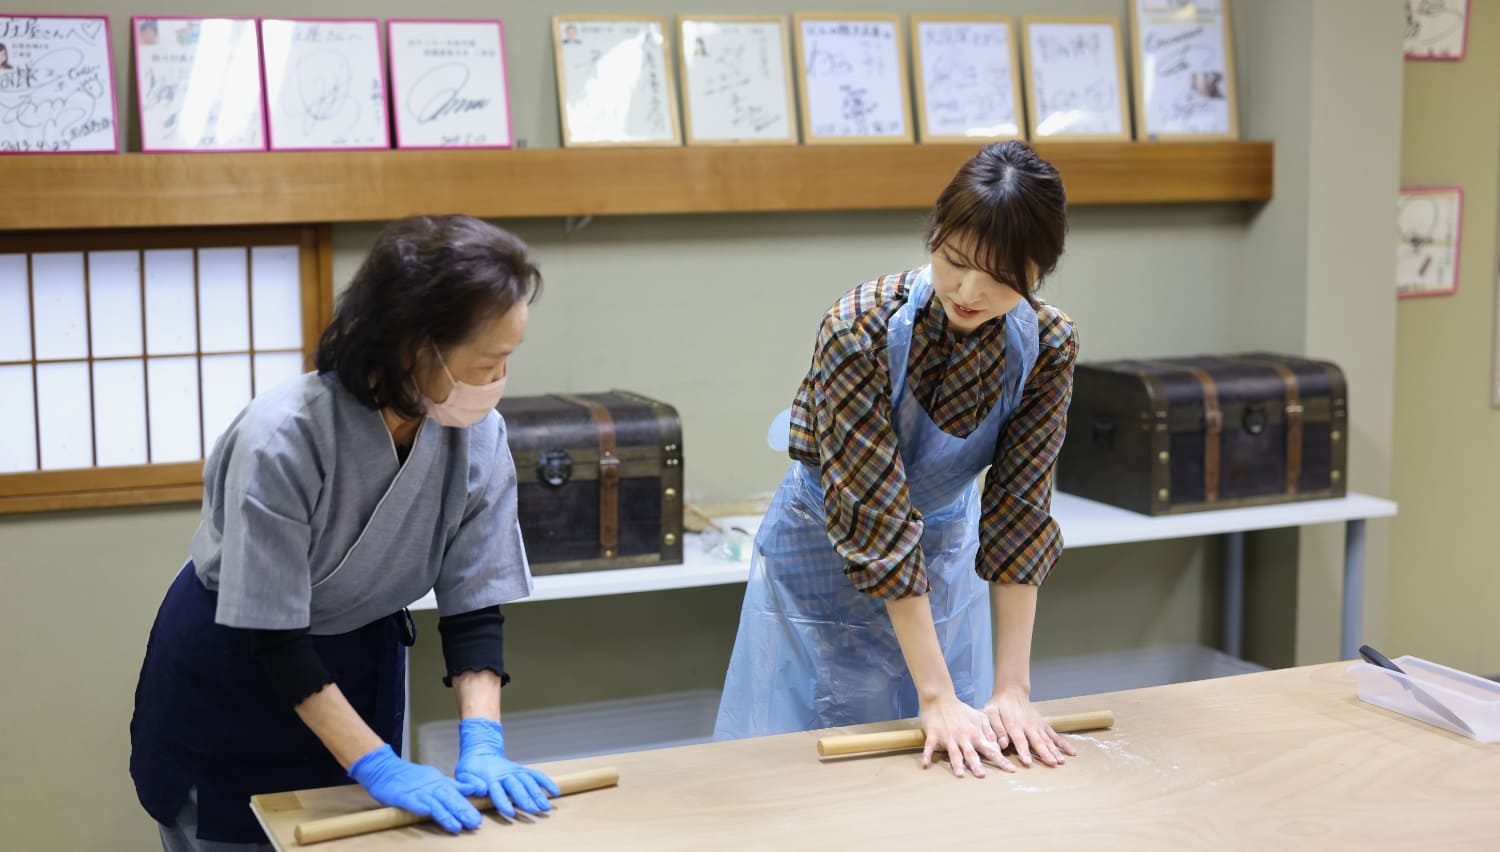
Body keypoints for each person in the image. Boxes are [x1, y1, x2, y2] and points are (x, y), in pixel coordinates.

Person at [130, 214, 559, 850]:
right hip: (239, 671)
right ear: (417, 345)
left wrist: (483, 741)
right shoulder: (283, 437)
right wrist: (377, 764)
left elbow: (473, 604)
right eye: (490, 359)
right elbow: (274, 637)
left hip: (358, 662)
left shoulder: (479, 435)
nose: (499, 380)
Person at [714, 140, 1080, 778]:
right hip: (826, 549)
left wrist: (1012, 692)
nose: (968, 290)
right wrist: (936, 697)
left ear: (1038, 271)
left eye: (1000, 278)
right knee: (811, 763)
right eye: (954, 261)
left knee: (950, 760)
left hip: (941, 549)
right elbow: (879, 520)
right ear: (933, 234)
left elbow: (1019, 513)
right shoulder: (859, 329)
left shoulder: (1047, 344)